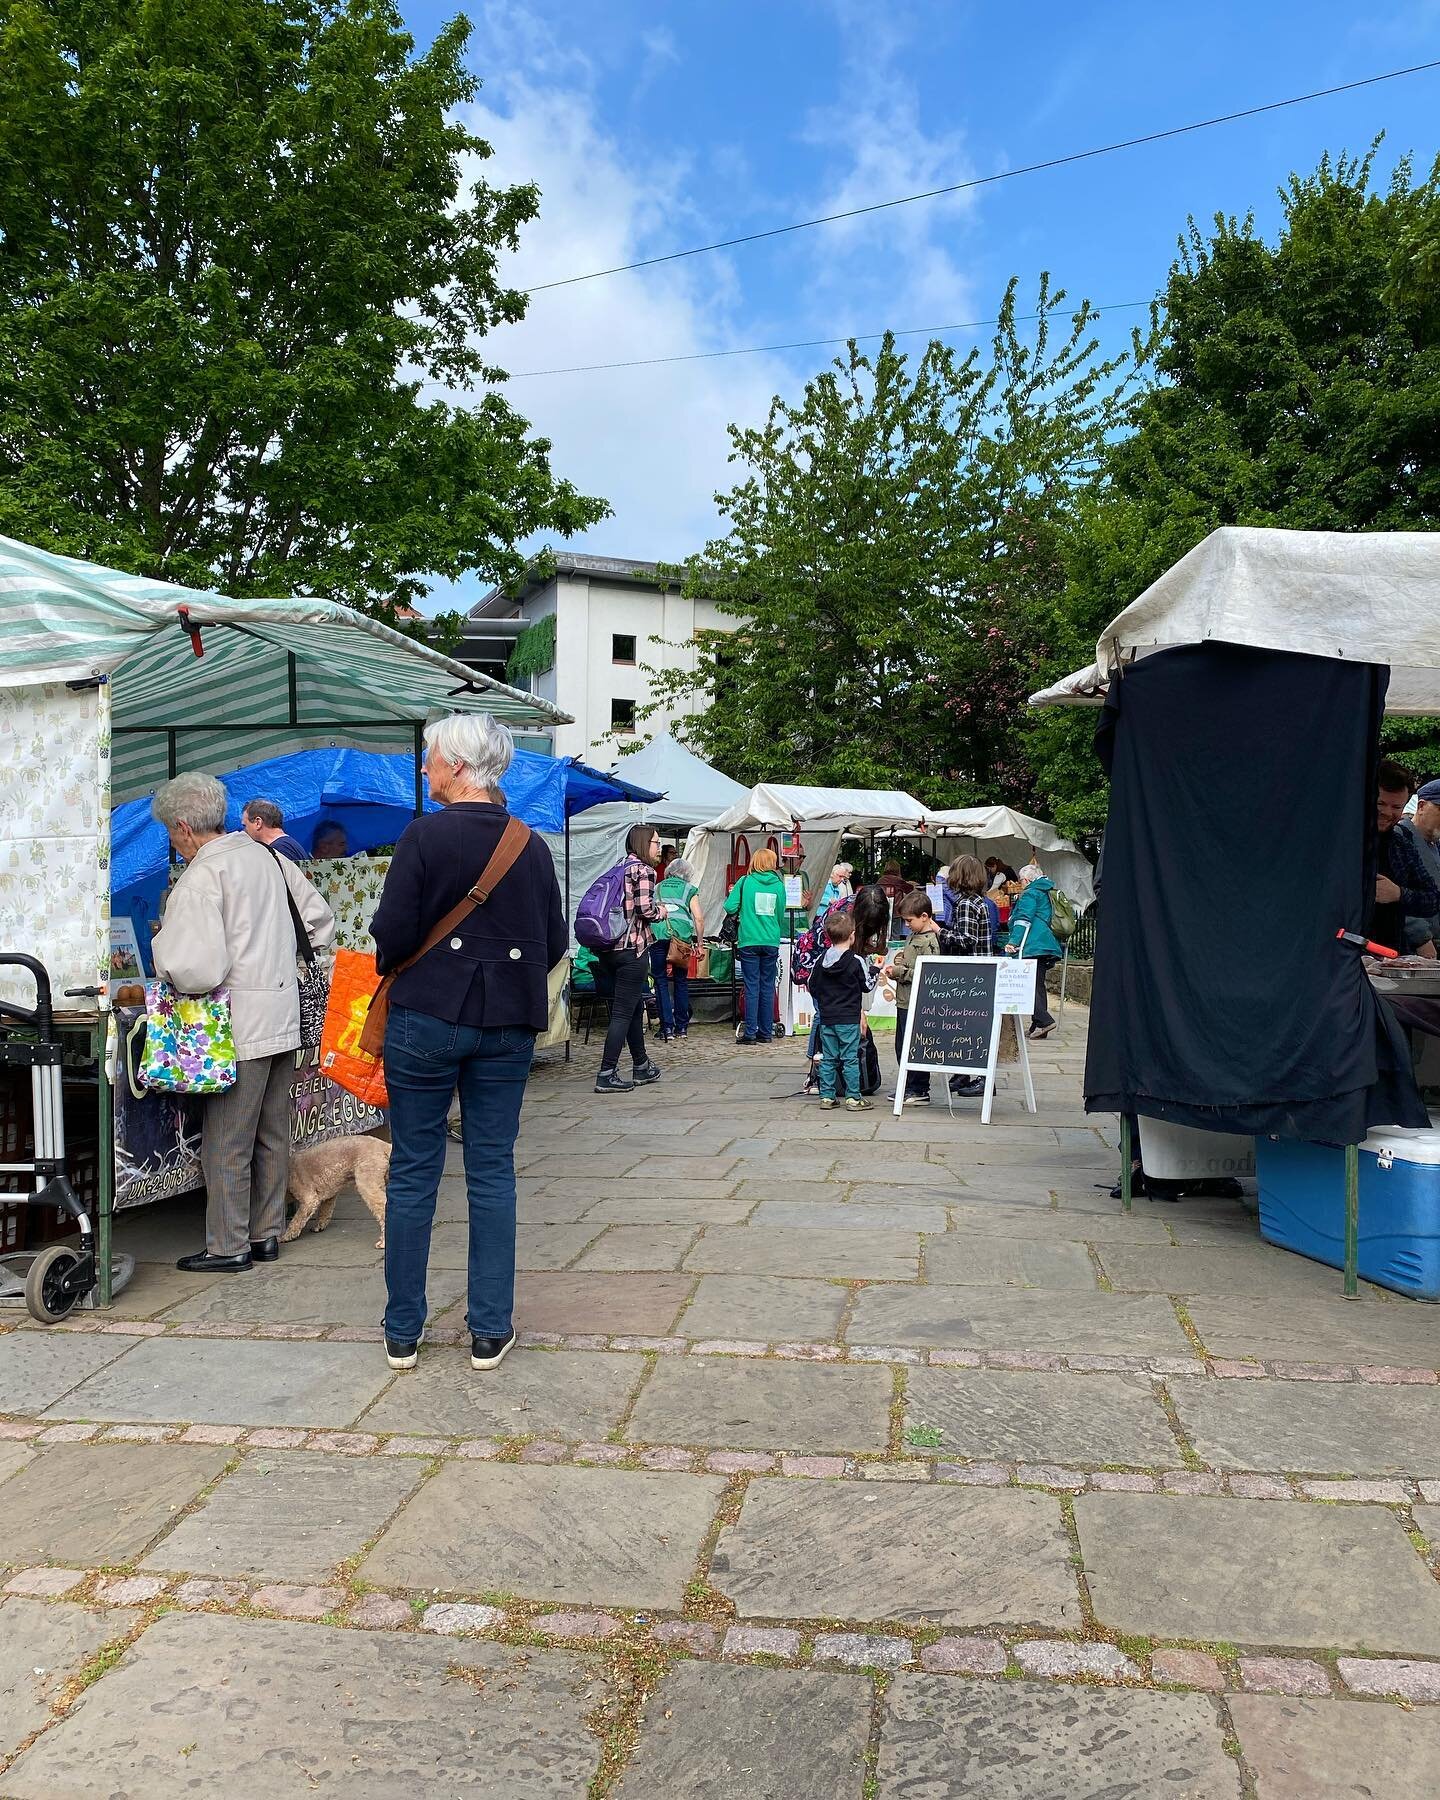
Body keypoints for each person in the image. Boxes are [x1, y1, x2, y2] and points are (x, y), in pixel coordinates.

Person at [370, 713, 567, 1374]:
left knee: (414, 1168)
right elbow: (556, 942)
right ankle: (489, 1331)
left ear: (456, 765)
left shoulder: (423, 838)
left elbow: (391, 937)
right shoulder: (531, 846)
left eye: (430, 759)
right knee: (491, 1168)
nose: (425, 770)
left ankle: (402, 1332)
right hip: (507, 1022)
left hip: (425, 1015)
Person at [150, 772, 336, 1273]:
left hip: (237, 1024)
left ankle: (229, 1245)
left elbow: (196, 968)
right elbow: (319, 921)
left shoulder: (203, 875)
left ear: (184, 827)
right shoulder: (267, 856)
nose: (175, 843)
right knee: (273, 1132)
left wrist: (160, 954)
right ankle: (267, 1233)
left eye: (170, 833)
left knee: (228, 1141)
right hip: (284, 1012)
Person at [595, 825, 666, 1093]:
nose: (658, 848)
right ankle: (606, 1072)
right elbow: (645, 909)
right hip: (632, 949)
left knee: (634, 1007)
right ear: (643, 843)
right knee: (623, 1012)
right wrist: (663, 911)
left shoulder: (619, 867)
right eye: (656, 843)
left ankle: (641, 1065)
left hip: (609, 949)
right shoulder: (644, 871)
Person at [807, 910, 878, 1111]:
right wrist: (875, 970)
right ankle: (853, 1097)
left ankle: (827, 1097)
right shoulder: (856, 961)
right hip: (848, 1018)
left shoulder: (821, 960)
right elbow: (867, 985)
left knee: (828, 1058)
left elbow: (812, 985)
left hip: (828, 1018)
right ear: (852, 935)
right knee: (849, 1058)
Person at [939, 855, 994, 1098]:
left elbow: (966, 940)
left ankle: (983, 1079)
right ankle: (963, 1073)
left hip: (973, 975)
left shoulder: (966, 904)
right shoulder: (980, 901)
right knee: (970, 1025)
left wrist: (939, 931)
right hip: (983, 971)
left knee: (971, 1026)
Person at [1372, 760, 1439, 954]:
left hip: (1390, 956)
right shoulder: (1342, 842)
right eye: (1381, 804)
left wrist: (1399, 893)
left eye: (1396, 807)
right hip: (1341, 955)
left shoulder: (1400, 843)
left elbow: (1432, 899)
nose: (1387, 812)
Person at [725, 847, 787, 1044]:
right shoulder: (778, 885)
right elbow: (780, 913)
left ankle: (751, 1032)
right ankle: (766, 1032)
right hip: (771, 940)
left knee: (751, 986)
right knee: (768, 986)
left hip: (749, 940)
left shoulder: (745, 882)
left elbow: (729, 907)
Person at [886, 890, 942, 1103]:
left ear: (925, 917)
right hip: (904, 999)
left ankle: (918, 1088)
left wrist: (900, 972)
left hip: (917, 1002)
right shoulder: (913, 936)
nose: (907, 924)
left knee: (914, 1045)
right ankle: (909, 1084)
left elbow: (929, 973)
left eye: (910, 920)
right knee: (901, 1045)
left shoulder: (930, 942)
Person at [1002, 868, 1064, 1039]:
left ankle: (1044, 1020)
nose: (1020, 884)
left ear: (1027, 881)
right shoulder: (1047, 891)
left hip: (1031, 945)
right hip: (1045, 944)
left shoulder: (1030, 893)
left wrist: (1013, 942)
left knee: (1027, 986)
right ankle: (1038, 1025)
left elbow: (1023, 919)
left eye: (1021, 881)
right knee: (1038, 985)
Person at [650, 855, 703, 1041]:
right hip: (681, 939)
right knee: (680, 980)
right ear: (687, 873)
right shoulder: (690, 889)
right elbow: (698, 918)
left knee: (660, 980)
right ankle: (682, 1028)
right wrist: (700, 944)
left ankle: (667, 1028)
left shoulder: (656, 887)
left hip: (658, 935)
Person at [1400, 778, 1440, 957]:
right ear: (1421, 806)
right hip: (1409, 950)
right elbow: (1395, 894)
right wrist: (1422, 938)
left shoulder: (1436, 845)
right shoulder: (1400, 838)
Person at [241, 798, 307, 864]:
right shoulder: (285, 845)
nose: (244, 831)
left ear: (258, 823)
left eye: (245, 825)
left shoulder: (279, 849)